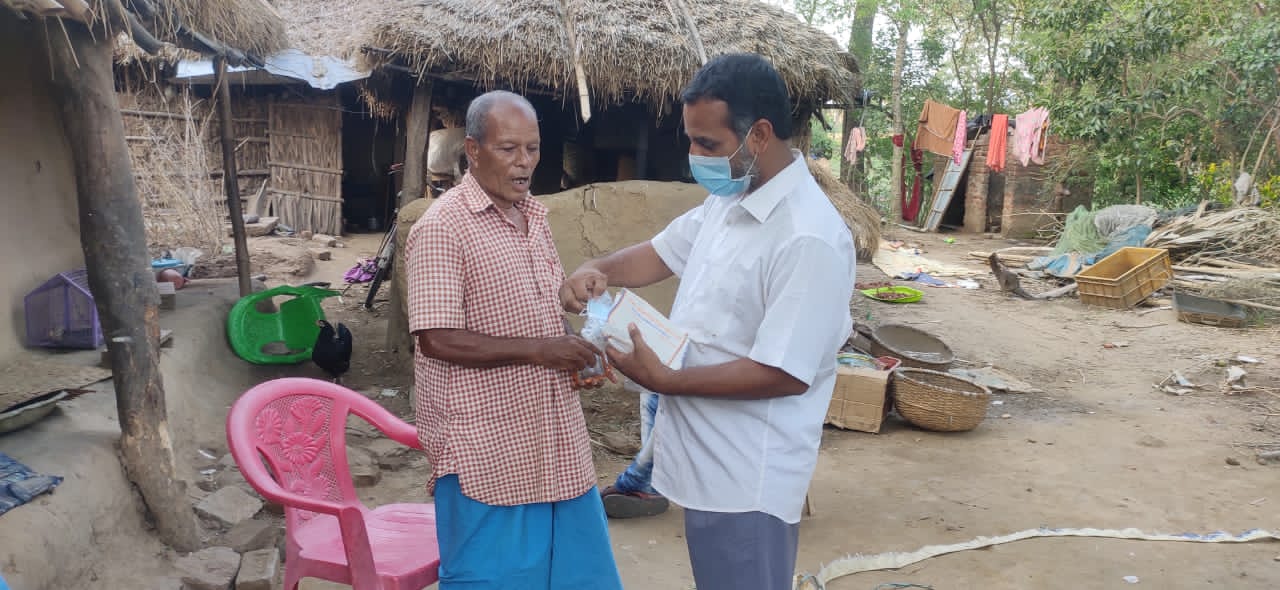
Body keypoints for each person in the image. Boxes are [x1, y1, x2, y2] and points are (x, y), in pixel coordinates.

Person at [560, 54, 856, 590]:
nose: (695, 156)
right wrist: (598, 268)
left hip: (746, 476)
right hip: (707, 459)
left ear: (759, 135)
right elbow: (662, 252)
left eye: (709, 144)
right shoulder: (733, 198)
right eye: (691, 141)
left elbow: (785, 372)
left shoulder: (807, 237)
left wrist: (666, 379)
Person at [406, 90, 623, 590]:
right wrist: (543, 351)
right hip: (486, 446)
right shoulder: (443, 227)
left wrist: (573, 345)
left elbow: (537, 315)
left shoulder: (533, 217)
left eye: (533, 148)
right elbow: (437, 338)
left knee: (576, 576)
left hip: (553, 438)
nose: (524, 161)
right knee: (493, 576)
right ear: (473, 150)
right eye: (508, 149)